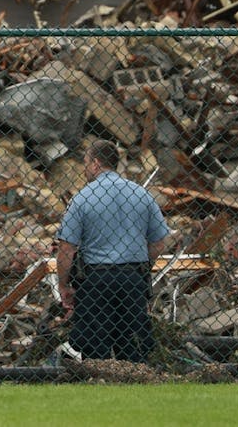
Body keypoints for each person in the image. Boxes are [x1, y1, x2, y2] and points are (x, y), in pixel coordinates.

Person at [55, 140, 171, 362]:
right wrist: (143, 267)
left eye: (86, 162)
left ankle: (98, 382)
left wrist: (63, 285)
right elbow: (158, 243)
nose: (84, 168)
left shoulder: (82, 198)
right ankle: (135, 382)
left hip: (96, 281)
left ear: (97, 164)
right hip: (132, 279)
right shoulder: (141, 194)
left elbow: (67, 248)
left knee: (95, 349)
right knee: (133, 346)